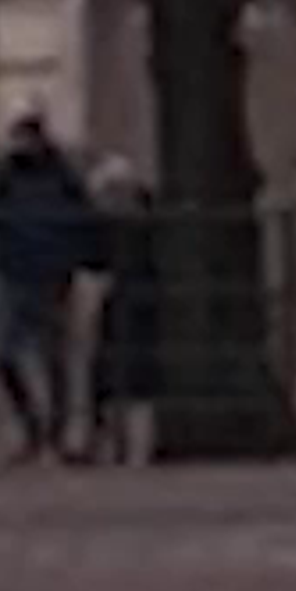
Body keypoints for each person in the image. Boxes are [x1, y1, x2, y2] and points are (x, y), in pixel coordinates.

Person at [0, 110, 94, 460]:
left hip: (50, 275)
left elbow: (81, 219)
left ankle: (53, 433)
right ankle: (32, 426)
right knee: (4, 354)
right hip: (16, 274)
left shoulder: (62, 176)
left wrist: (68, 261)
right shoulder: (7, 175)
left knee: (53, 358)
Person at [81, 156, 164, 464]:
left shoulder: (133, 225)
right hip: (126, 298)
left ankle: (115, 442)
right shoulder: (140, 220)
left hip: (133, 299)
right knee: (110, 373)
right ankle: (110, 439)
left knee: (122, 373)